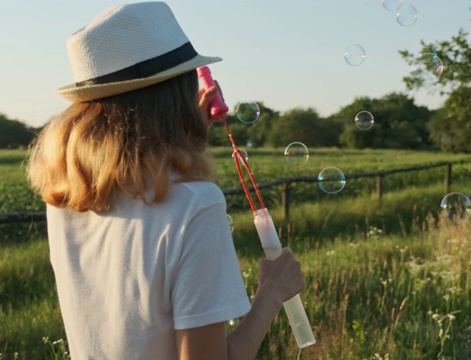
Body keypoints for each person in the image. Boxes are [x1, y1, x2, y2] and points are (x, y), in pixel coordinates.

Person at [26, 2, 306, 359]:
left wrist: (190, 139)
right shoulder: (196, 203)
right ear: (180, 95)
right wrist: (270, 294)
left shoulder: (66, 198)